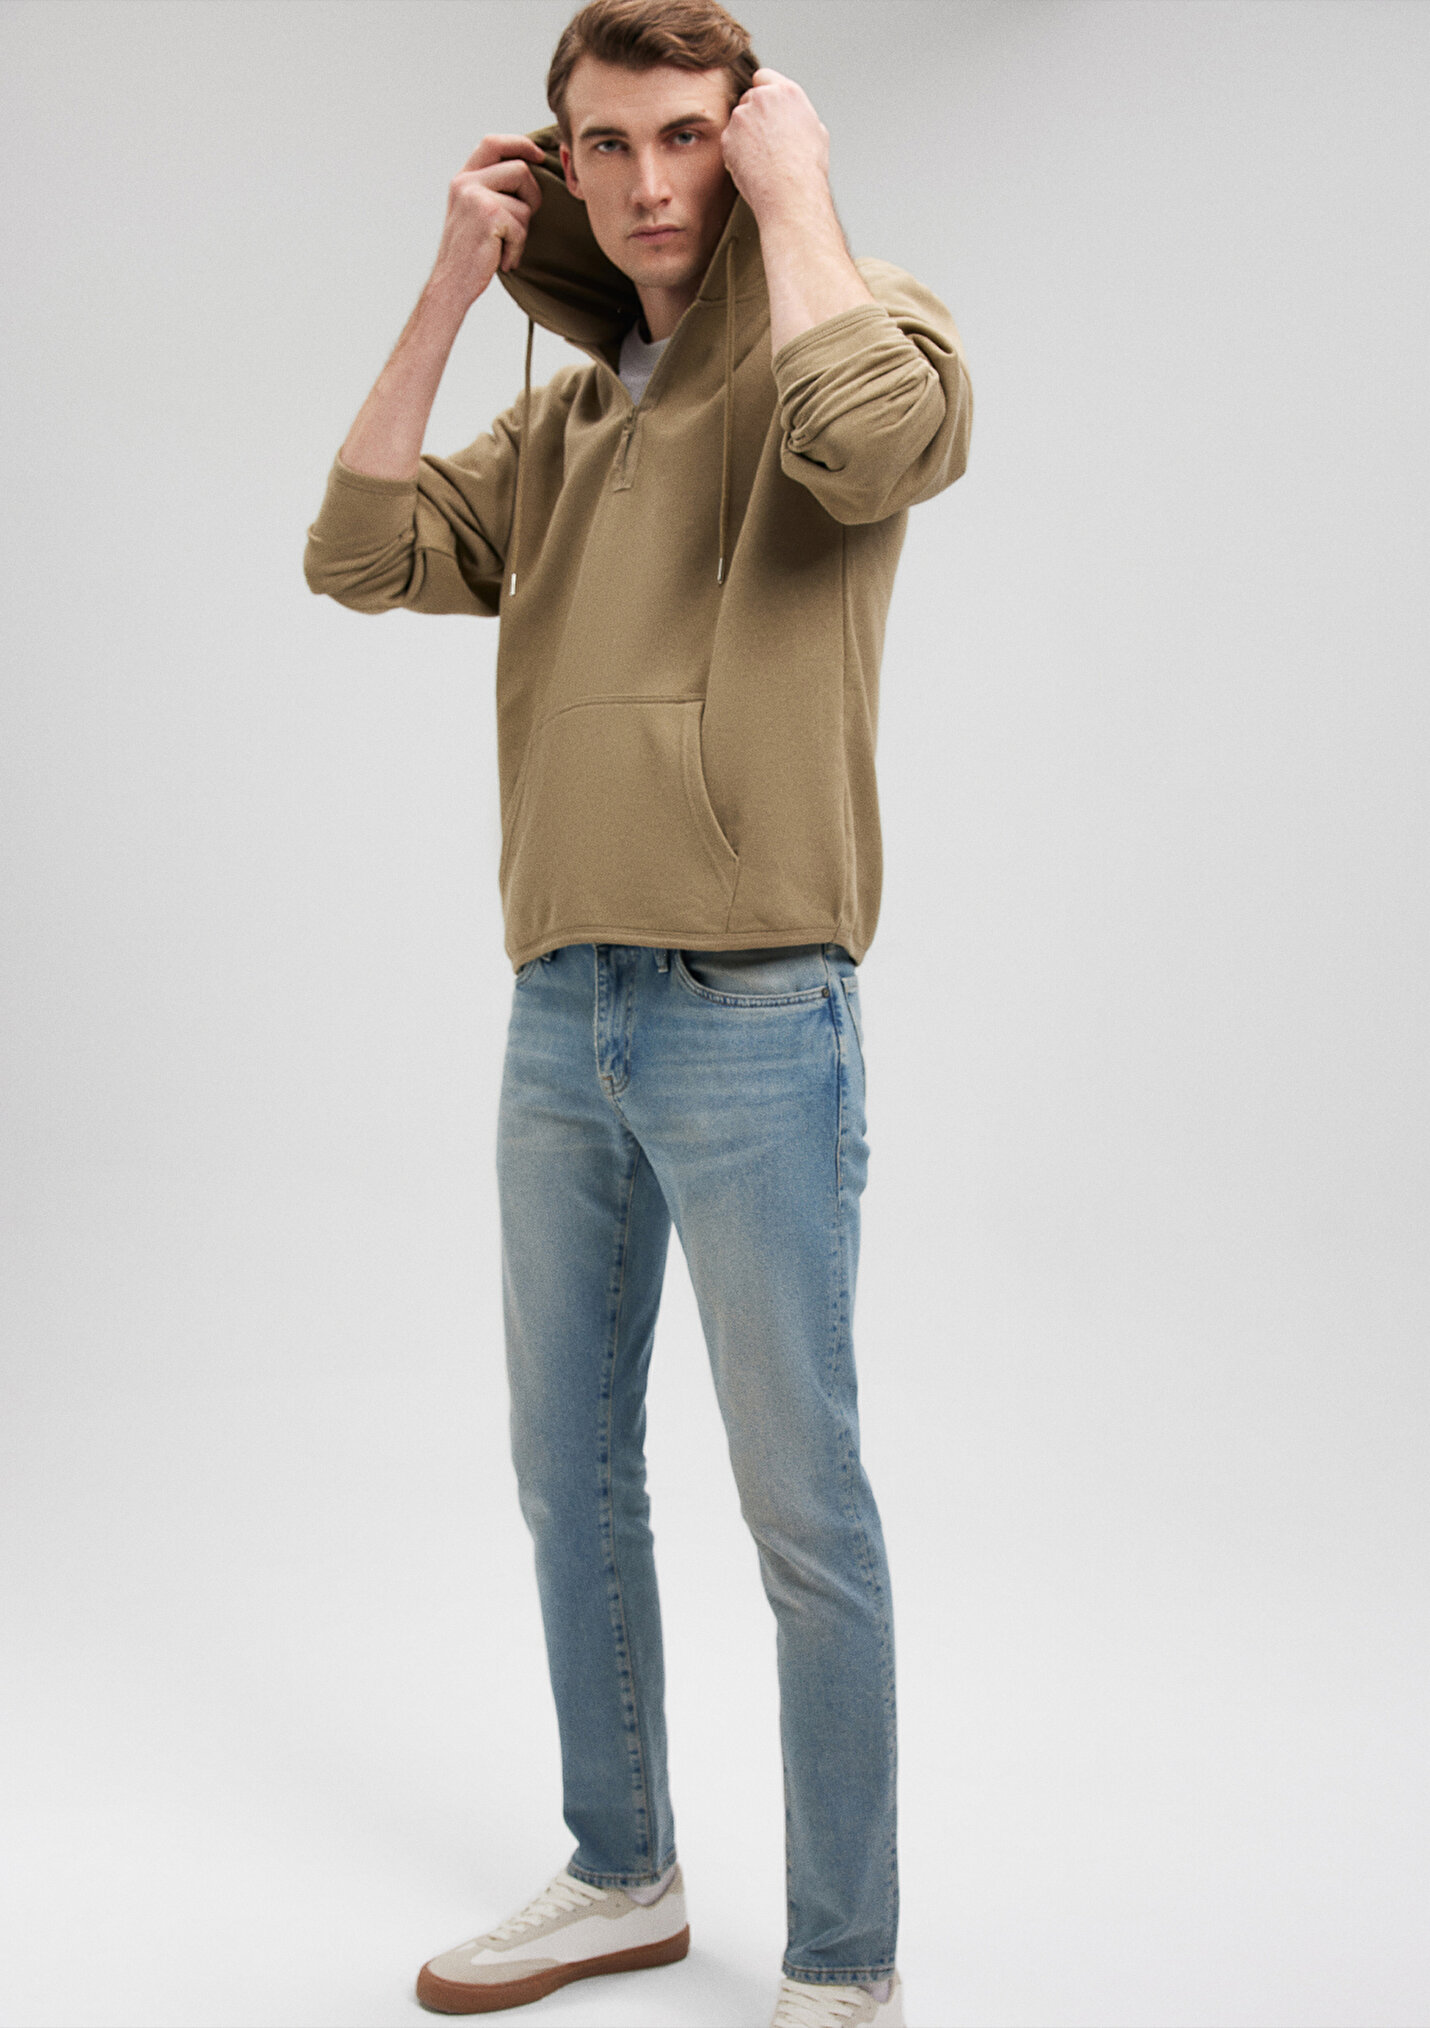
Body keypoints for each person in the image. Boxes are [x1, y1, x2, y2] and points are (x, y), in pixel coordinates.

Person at [303, 1, 971, 2019]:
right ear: (562, 166)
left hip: (754, 1013)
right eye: (606, 143)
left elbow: (879, 449)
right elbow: (355, 551)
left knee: (801, 1508)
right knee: (569, 1477)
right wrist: (451, 284)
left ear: (746, 139)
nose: (648, 180)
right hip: (560, 1009)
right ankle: (621, 1873)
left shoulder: (860, 331)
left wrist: (805, 197)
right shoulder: (566, 430)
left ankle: (843, 1962)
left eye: (687, 134)